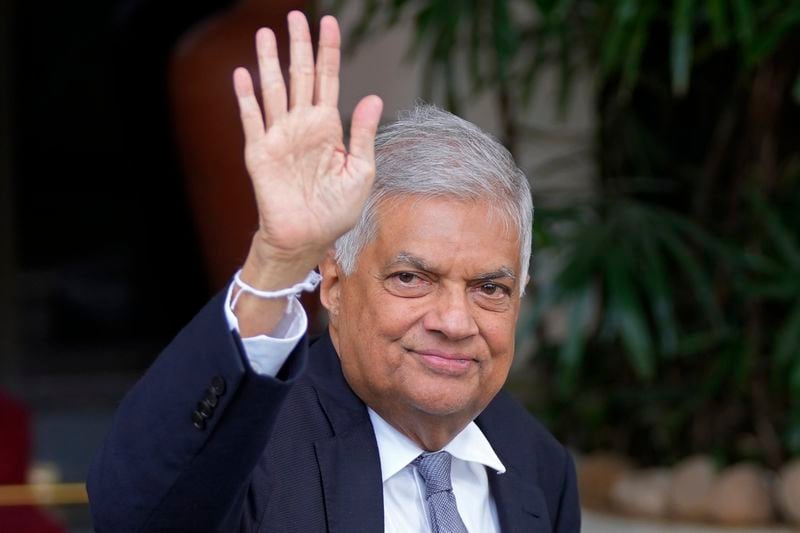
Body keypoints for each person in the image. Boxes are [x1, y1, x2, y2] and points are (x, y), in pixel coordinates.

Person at [88, 11, 580, 533]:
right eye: (411, 279)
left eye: (489, 288)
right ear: (335, 284)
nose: (455, 322)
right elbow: (136, 513)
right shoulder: (258, 450)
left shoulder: (539, 468)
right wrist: (276, 260)